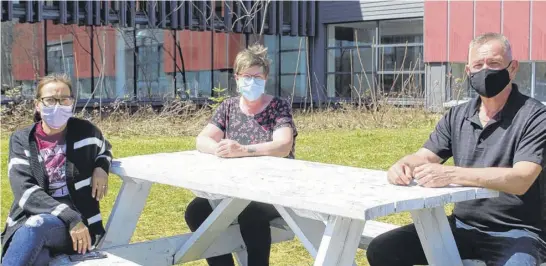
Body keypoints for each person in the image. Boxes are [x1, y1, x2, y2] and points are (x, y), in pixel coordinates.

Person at [366, 32, 546, 265]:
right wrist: (403, 165)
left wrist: (451, 174)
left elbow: (521, 179)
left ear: (512, 69)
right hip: (461, 226)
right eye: (478, 65)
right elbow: (425, 156)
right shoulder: (458, 115)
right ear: (468, 72)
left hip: (517, 231)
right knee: (382, 249)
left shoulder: (534, 116)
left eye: (494, 64)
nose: (485, 71)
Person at [184, 44, 297, 266]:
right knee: (196, 211)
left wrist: (244, 151)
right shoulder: (228, 107)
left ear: (265, 78)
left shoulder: (278, 107)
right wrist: (219, 148)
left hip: (274, 190)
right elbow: (202, 139)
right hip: (233, 188)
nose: (251, 81)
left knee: (249, 211)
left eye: (257, 76)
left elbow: (283, 145)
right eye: (246, 76)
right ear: (236, 78)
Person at [1, 73, 113, 265]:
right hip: (33, 217)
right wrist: (70, 218)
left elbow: (105, 149)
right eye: (50, 100)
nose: (58, 106)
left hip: (77, 225)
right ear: (38, 104)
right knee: (39, 256)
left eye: (64, 99)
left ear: (72, 102)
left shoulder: (86, 132)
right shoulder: (22, 140)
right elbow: (24, 190)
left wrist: (102, 166)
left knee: (38, 229)